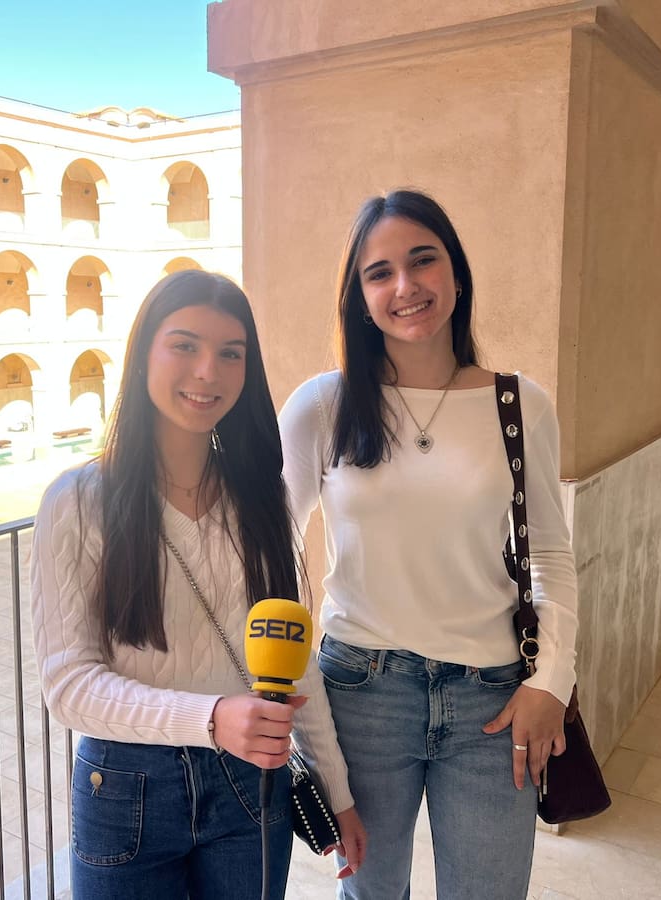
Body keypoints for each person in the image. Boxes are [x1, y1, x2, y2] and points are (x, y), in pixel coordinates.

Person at [279, 189, 579, 899]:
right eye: (379, 273)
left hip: (493, 699)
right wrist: (290, 690)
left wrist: (550, 686)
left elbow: (552, 557)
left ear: (457, 274)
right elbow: (273, 552)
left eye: (423, 261)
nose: (405, 286)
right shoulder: (323, 405)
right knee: (371, 892)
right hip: (361, 693)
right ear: (359, 296)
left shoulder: (517, 404)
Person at [31, 269, 365, 900]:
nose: (208, 371)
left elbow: (296, 666)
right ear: (143, 355)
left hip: (251, 781)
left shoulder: (262, 502)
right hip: (126, 786)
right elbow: (69, 686)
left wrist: (338, 795)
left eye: (230, 353)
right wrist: (211, 718)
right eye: (184, 345)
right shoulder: (77, 503)